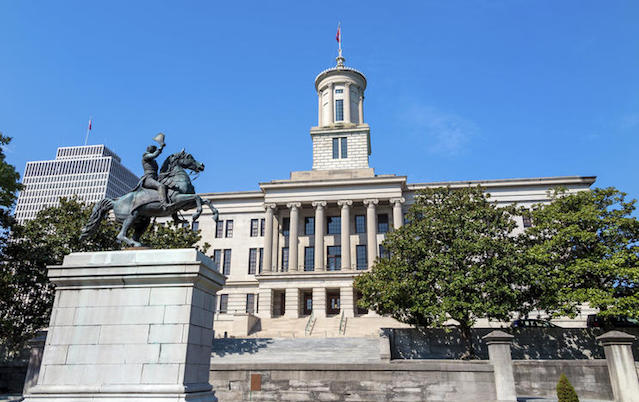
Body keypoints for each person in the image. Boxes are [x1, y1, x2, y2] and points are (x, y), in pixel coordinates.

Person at [141, 140, 169, 208]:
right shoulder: (145, 156)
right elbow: (154, 155)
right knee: (161, 186)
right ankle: (164, 204)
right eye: (153, 148)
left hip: (155, 178)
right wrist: (161, 147)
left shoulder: (153, 160)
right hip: (148, 178)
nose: (153, 149)